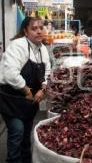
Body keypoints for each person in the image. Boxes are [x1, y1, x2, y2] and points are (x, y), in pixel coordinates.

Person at [0, 16, 51, 163]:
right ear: (26, 31)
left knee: (27, 132)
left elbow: (47, 71)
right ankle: (13, 160)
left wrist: (43, 88)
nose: (39, 31)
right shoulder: (18, 45)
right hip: (12, 98)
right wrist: (27, 91)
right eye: (34, 28)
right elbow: (10, 73)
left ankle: (26, 159)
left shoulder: (42, 49)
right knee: (17, 131)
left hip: (29, 102)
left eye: (41, 28)